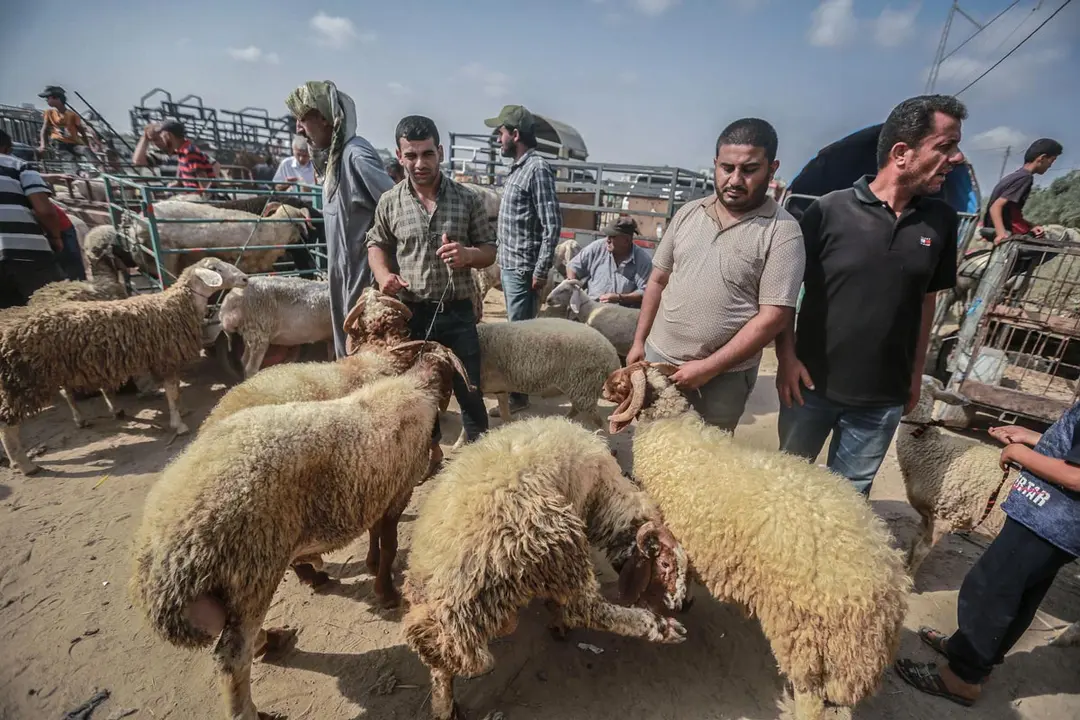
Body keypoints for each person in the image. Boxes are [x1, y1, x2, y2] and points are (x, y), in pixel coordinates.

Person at [775, 95, 966, 496]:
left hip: (880, 401)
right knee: (785, 490)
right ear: (902, 153)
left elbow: (925, 302)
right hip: (809, 388)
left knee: (848, 503)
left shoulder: (941, 221)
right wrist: (786, 358)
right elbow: (784, 292)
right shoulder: (829, 211)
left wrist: (915, 377)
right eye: (945, 146)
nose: (957, 158)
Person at [625, 118, 805, 433]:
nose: (735, 179)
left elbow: (773, 316)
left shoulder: (783, 232)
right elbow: (657, 280)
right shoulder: (688, 213)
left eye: (749, 170)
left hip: (724, 379)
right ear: (715, 165)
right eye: (726, 168)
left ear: (772, 169)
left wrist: (708, 369)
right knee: (652, 440)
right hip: (659, 360)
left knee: (707, 462)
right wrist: (640, 341)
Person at [895, 408, 1080, 707]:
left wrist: (1020, 453)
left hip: (1048, 520)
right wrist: (1032, 438)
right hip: (1054, 521)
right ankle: (971, 655)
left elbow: (1076, 477)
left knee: (988, 591)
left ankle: (962, 678)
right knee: (1017, 596)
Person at [367, 115, 496, 467]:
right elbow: (376, 244)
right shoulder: (390, 202)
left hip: (457, 310)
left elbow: (489, 250)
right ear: (399, 155)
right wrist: (383, 275)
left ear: (440, 152)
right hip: (414, 312)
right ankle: (430, 455)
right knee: (419, 391)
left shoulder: (467, 200)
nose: (420, 164)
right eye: (411, 156)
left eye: (427, 154)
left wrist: (468, 254)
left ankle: (482, 461)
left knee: (468, 389)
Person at [286, 80, 394, 359]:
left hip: (362, 275)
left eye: (303, 119)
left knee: (366, 351)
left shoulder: (355, 155)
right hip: (343, 273)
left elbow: (396, 205)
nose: (299, 128)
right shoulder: (336, 159)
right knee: (348, 347)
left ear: (324, 118)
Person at [484, 104, 562, 415]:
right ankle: (519, 392)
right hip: (512, 263)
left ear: (515, 134)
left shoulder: (537, 169)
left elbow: (551, 222)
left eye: (500, 132)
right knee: (518, 331)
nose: (498, 139)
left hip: (524, 267)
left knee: (519, 336)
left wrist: (540, 268)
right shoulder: (519, 168)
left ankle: (517, 397)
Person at [0, 130, 67, 309]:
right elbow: (45, 210)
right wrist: (55, 237)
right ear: (7, 148)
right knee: (52, 314)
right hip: (27, 253)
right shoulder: (19, 166)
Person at [985, 138, 1063, 243]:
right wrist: (1001, 234)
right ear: (1042, 158)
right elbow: (996, 207)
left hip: (1001, 226)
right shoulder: (1025, 178)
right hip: (1006, 230)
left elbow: (1011, 211)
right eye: (1052, 161)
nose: (1050, 165)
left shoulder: (1016, 175)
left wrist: (1031, 226)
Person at [566, 215, 652, 306]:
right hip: (591, 306)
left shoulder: (642, 260)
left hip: (621, 313)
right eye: (607, 236)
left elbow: (645, 292)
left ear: (626, 240)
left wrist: (619, 298)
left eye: (612, 236)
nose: (608, 240)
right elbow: (573, 266)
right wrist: (574, 289)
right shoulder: (597, 247)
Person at [132, 119, 216, 191]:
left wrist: (203, 197)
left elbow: (203, 181)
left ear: (169, 135)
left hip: (193, 197)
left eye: (161, 136)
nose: (156, 142)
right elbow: (138, 161)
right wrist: (178, 183)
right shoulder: (182, 152)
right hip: (186, 194)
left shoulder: (189, 152)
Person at [37, 86, 98, 175]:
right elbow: (44, 129)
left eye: (48, 98)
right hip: (59, 143)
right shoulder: (49, 113)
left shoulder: (72, 115)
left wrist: (88, 145)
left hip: (73, 143)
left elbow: (82, 131)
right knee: (69, 158)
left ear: (56, 98)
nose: (46, 100)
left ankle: (100, 167)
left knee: (85, 150)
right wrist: (43, 145)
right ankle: (81, 173)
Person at [51, 201, 86, 281]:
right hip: (58, 228)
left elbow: (45, 212)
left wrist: (56, 237)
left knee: (71, 261)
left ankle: (78, 282)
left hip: (61, 228)